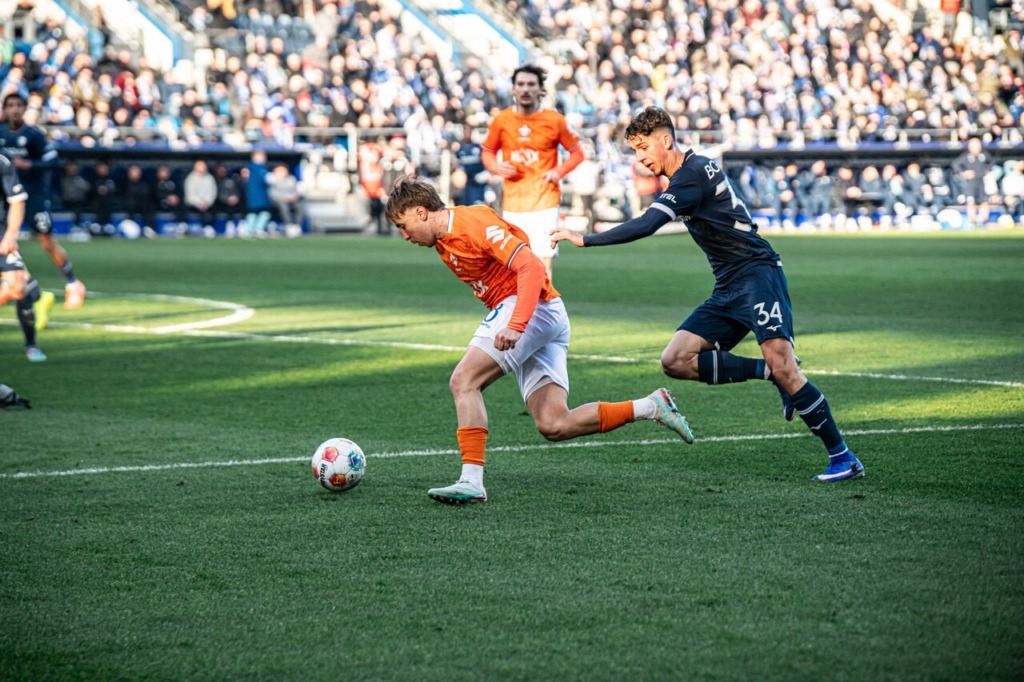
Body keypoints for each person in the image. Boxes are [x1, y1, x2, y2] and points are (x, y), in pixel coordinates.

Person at [550, 107, 863, 483]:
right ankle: (768, 373)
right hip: (729, 284)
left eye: (644, 147)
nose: (640, 158)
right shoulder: (693, 170)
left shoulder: (691, 175)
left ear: (666, 140)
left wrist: (585, 239)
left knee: (786, 367)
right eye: (635, 151)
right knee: (676, 360)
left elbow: (649, 223)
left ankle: (843, 458)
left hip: (757, 275)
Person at [384, 177, 694, 504]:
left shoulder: (471, 223)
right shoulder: (443, 239)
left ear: (421, 212)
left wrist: (516, 324)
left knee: (464, 381)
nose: (405, 235)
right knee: (554, 424)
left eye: (403, 226)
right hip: (545, 312)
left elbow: (531, 267)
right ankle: (651, 406)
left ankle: (471, 480)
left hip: (531, 308)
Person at [481, 64, 584, 281]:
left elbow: (577, 153)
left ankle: (545, 303)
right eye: (521, 84)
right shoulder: (502, 120)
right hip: (513, 203)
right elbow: (487, 151)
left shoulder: (555, 120)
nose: (525, 89)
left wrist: (558, 171)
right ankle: (523, 303)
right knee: (516, 262)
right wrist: (496, 167)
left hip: (545, 201)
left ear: (541, 89)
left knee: (543, 261)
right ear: (513, 89)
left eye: (531, 84)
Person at [0, 92, 86, 308]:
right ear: (5, 109)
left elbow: (53, 161)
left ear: (25, 108)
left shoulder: (34, 135)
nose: (15, 109)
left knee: (46, 241)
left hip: (33, 197)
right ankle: (17, 283)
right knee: (6, 241)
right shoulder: (1, 133)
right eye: (10, 105)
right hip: (7, 199)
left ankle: (73, 283)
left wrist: (30, 164)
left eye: (18, 105)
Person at [0, 153, 54, 362]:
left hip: (1, 233)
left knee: (18, 287)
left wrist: (11, 236)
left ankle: (31, 345)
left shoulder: (3, 161)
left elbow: (17, 201)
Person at [267, 163, 305, 233]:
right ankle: (288, 225)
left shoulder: (291, 179)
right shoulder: (272, 180)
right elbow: (272, 194)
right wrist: (284, 198)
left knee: (300, 205)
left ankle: (297, 226)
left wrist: (293, 197)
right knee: (283, 206)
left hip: (291, 200)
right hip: (279, 200)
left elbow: (296, 191)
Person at [183, 159, 217, 232]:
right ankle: (184, 226)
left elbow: (212, 192)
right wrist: (199, 203)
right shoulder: (190, 178)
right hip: (194, 204)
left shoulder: (210, 178)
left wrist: (207, 202)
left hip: (206, 204)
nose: (202, 168)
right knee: (183, 206)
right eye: (200, 166)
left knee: (214, 208)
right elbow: (190, 194)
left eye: (203, 166)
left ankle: (208, 227)